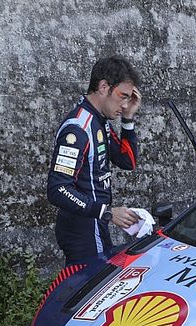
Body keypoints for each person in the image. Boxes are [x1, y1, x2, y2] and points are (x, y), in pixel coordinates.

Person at [46, 55, 143, 264]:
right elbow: (58, 189)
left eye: (129, 98)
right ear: (103, 86)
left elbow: (128, 162)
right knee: (90, 292)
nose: (125, 105)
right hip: (83, 230)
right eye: (123, 96)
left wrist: (128, 120)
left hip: (95, 224)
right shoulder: (78, 128)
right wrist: (107, 213)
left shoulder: (100, 122)